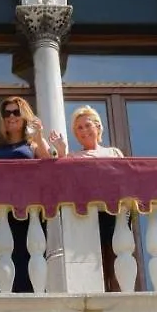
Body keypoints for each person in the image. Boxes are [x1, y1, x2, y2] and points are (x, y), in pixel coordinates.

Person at [0, 96, 58, 293]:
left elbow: (51, 165)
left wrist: (39, 136)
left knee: (26, 261)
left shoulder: (32, 146)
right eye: (7, 113)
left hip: (27, 213)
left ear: (24, 116)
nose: (11, 116)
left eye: (16, 112)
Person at [49, 106, 125, 291]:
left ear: (98, 127)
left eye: (87, 125)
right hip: (85, 217)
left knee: (117, 264)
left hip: (113, 213)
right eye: (78, 128)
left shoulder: (114, 153)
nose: (83, 131)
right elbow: (63, 182)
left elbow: (124, 182)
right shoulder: (73, 157)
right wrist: (61, 152)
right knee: (92, 267)